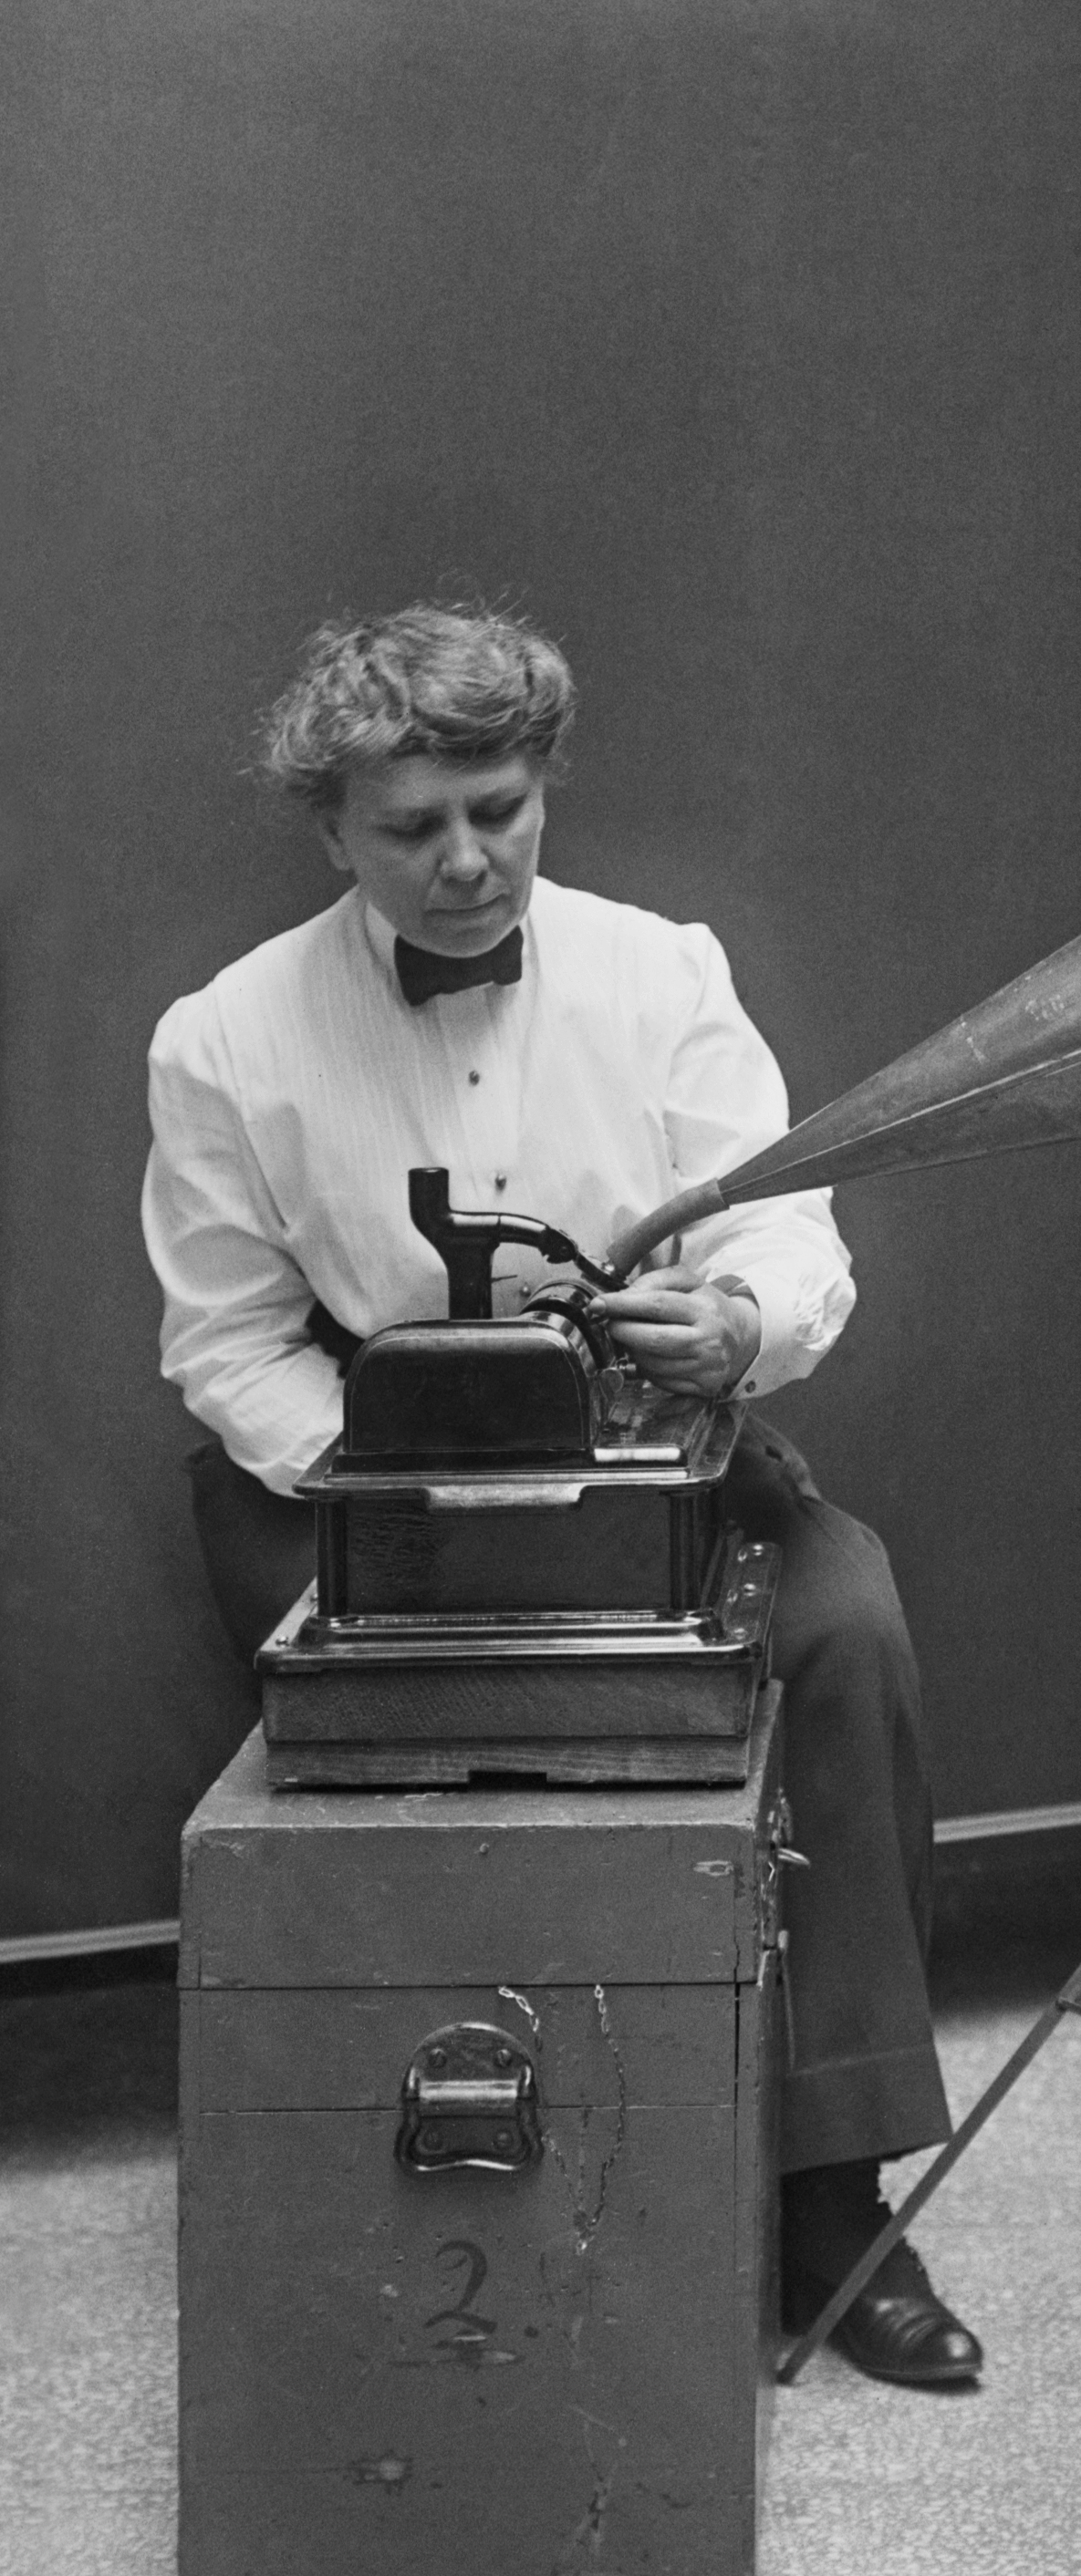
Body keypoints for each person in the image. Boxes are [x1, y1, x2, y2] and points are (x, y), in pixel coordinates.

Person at [143, 603, 982, 2392]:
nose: (466, 860)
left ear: (543, 788)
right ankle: (453, 2172)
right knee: (411, 1716)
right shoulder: (221, 1037)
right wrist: (396, 1467)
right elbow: (221, 1344)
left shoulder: (663, 971)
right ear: (332, 830)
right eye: (413, 826)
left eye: (500, 810)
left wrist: (738, 1319)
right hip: (363, 1478)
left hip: (638, 1432)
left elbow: (782, 1225)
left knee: (842, 1627)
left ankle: (827, 2189)